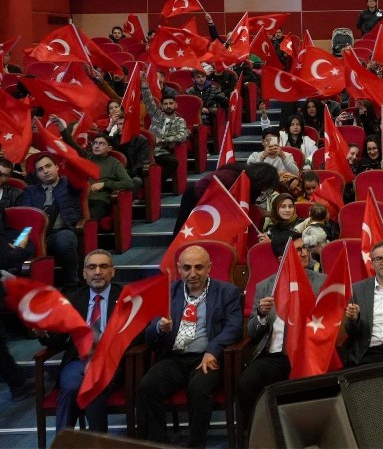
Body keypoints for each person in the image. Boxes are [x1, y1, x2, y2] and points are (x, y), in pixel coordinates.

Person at [137, 245, 242, 448]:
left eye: (198, 267)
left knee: (199, 388)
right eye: (186, 268)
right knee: (147, 387)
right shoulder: (168, 292)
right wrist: (159, 327)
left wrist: (213, 350)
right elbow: (148, 332)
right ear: (179, 268)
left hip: (206, 357)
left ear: (209, 267)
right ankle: (158, 444)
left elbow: (234, 328)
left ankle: (196, 445)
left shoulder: (226, 292)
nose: (192, 274)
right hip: (173, 357)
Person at [237, 237, 325, 442]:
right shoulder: (266, 286)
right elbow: (252, 332)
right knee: (246, 383)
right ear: (281, 258)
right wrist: (260, 313)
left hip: (307, 353)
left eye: (304, 249)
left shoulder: (322, 282)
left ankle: (310, 438)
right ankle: (258, 438)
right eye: (297, 251)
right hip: (274, 355)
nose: (304, 254)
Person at [37, 250, 123, 433]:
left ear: (112, 271)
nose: (97, 272)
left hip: (111, 362)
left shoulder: (125, 298)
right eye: (92, 267)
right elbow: (58, 337)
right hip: (78, 361)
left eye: (103, 266)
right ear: (84, 273)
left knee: (91, 385)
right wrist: (44, 333)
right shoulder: (73, 299)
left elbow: (136, 334)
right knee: (69, 389)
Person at [20, 154, 81, 290]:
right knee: (17, 246)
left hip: (63, 231)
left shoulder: (69, 184)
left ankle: (72, 285)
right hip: (37, 234)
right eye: (40, 169)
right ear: (37, 174)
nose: (45, 171)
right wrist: (19, 240)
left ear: (57, 167)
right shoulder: (30, 191)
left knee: (64, 239)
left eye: (48, 166)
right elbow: (27, 218)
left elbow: (81, 179)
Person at [141, 75, 190, 192]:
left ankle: (155, 186)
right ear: (162, 106)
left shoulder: (179, 121)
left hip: (161, 152)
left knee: (173, 162)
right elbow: (148, 101)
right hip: (147, 150)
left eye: (170, 103)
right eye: (165, 104)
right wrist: (144, 86)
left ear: (175, 105)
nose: (168, 106)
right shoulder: (156, 115)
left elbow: (182, 136)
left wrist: (162, 140)